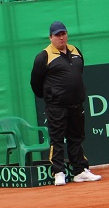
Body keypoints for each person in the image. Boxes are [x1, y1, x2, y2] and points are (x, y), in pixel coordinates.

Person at [30, 22, 102, 186]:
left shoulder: (76, 51)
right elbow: (35, 82)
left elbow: (78, 72)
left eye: (63, 33)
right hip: (56, 106)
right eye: (57, 35)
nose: (61, 37)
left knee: (76, 138)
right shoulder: (44, 56)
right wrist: (50, 96)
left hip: (76, 103)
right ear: (51, 37)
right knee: (57, 139)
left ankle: (80, 171)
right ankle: (59, 172)